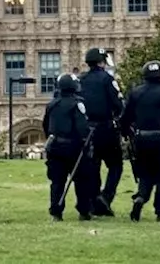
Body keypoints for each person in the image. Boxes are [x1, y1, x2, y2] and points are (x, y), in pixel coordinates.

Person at [120, 60, 160, 222]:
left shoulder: (135, 92)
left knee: (145, 172)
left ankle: (141, 197)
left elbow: (125, 117)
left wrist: (126, 134)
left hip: (141, 138)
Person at [78, 47, 125, 216]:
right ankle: (105, 197)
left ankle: (94, 199)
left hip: (86, 130)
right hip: (105, 128)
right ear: (101, 62)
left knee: (93, 166)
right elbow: (118, 103)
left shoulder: (80, 79)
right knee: (115, 165)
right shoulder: (107, 79)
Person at [43, 73, 95, 221]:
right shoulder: (77, 103)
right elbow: (82, 127)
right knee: (82, 180)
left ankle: (56, 211)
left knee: (57, 182)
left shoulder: (52, 104)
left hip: (55, 147)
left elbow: (46, 125)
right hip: (74, 147)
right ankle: (84, 211)